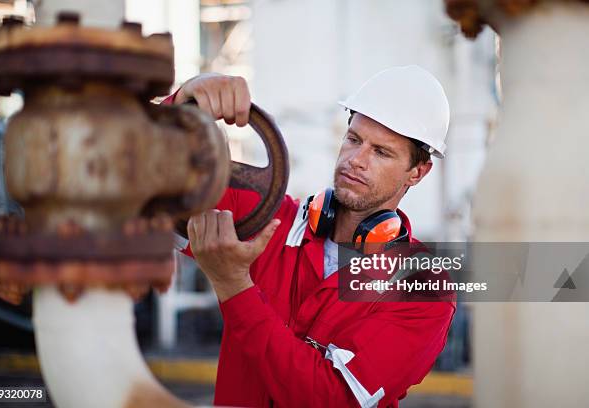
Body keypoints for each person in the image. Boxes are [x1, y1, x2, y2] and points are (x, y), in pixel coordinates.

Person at [162, 65, 456, 408]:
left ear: (418, 172)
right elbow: (147, 180)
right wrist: (183, 105)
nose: (355, 160)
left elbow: (330, 399)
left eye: (381, 152)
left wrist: (233, 286)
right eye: (354, 139)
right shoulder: (270, 221)